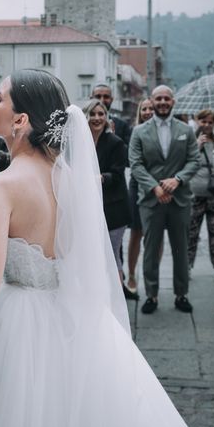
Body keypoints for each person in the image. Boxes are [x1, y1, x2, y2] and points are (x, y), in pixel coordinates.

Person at [0, 69, 189, 427]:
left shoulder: (3, 186)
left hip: (18, 331)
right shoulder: (73, 181)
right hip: (73, 318)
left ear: (21, 119)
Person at [129, 85, 200, 315]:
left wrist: (177, 180)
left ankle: (182, 294)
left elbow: (193, 161)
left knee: (181, 248)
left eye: (166, 99)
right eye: (158, 98)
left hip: (180, 199)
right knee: (150, 249)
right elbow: (136, 165)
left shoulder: (186, 130)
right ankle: (151, 295)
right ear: (151, 100)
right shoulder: (139, 131)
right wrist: (154, 188)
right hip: (151, 201)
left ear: (173, 102)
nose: (162, 102)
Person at [84, 98, 134, 299]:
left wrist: (101, 177)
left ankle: (116, 298)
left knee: (112, 255)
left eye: (101, 114)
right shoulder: (81, 142)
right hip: (89, 208)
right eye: (93, 114)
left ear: (106, 118)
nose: (97, 118)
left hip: (113, 209)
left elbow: (118, 173)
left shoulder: (116, 142)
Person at [187, 109, 214, 281]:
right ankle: (187, 265)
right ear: (197, 121)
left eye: (210, 122)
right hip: (195, 192)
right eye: (203, 121)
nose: (207, 125)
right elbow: (183, 162)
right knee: (191, 232)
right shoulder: (190, 139)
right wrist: (197, 146)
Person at [126, 98, 157, 293]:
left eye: (150, 108)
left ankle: (151, 276)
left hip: (158, 186)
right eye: (144, 108)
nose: (147, 112)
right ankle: (131, 275)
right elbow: (133, 162)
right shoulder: (135, 132)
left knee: (156, 237)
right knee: (136, 233)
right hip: (138, 186)